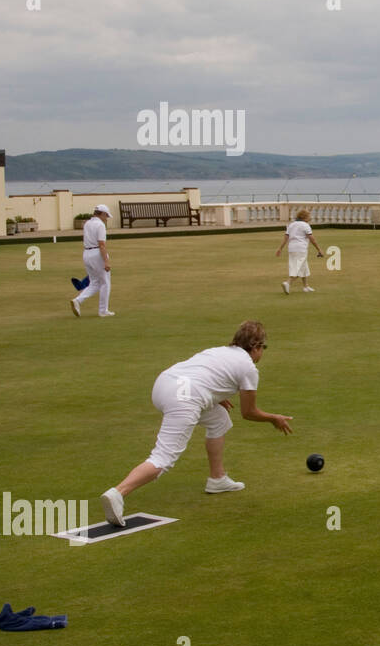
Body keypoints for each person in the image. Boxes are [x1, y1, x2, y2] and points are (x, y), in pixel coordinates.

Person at [99, 320, 293, 527]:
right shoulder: (249, 368)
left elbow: (204, 375)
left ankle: (217, 479)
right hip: (185, 397)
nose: (262, 352)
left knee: (219, 419)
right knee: (163, 457)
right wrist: (274, 418)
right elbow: (248, 412)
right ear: (255, 346)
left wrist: (215, 396)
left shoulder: (219, 351)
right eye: (263, 347)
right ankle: (118, 493)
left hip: (164, 384)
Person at [71, 204, 113, 317]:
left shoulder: (87, 223)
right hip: (96, 254)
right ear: (102, 214)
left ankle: (78, 300)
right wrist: (106, 261)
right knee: (105, 283)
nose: (107, 218)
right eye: (106, 216)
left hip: (86, 254)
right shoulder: (100, 225)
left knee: (95, 283)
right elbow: (102, 245)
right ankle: (103, 311)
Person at [274, 209, 324, 293]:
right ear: (304, 217)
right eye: (309, 216)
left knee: (303, 266)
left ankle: (305, 287)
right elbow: (312, 239)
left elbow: (286, 238)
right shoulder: (305, 225)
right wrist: (319, 249)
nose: (310, 218)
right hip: (301, 249)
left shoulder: (291, 225)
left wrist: (280, 248)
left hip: (292, 249)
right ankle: (287, 283)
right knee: (299, 268)